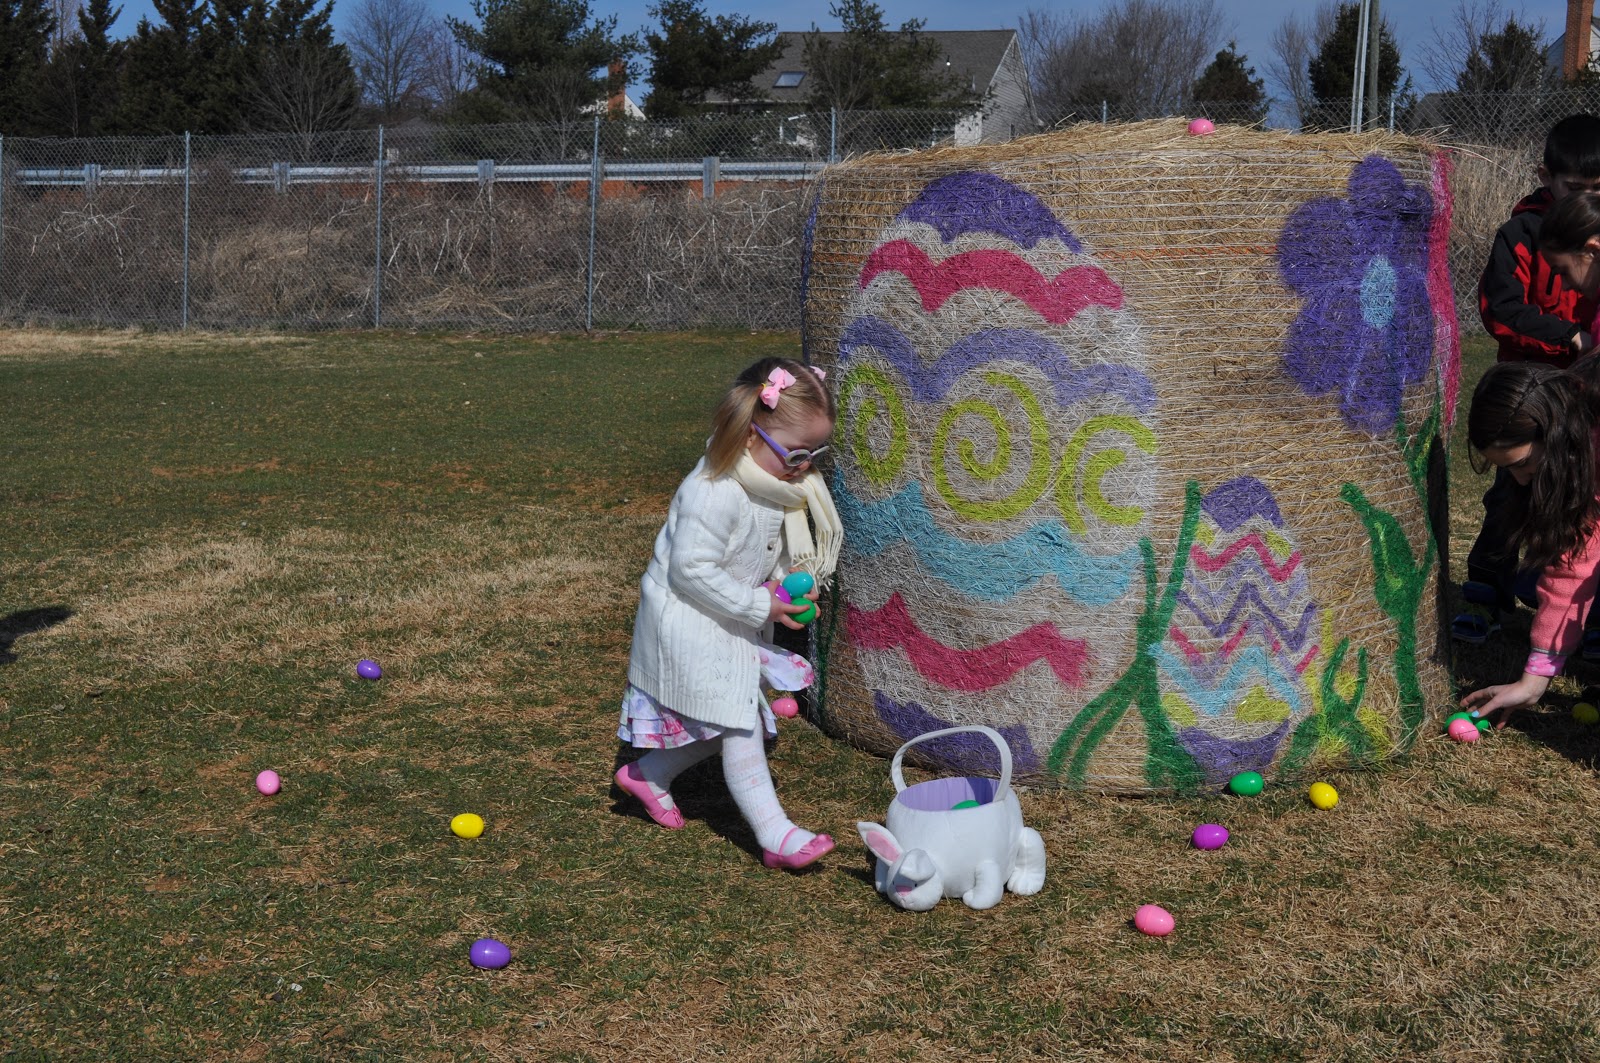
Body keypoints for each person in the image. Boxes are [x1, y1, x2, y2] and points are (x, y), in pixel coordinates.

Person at [612, 356, 841, 870]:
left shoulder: (772, 483)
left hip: (729, 618)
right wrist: (765, 603)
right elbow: (691, 571)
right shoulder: (712, 492)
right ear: (750, 434)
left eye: (816, 453)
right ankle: (776, 836)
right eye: (798, 452)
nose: (806, 466)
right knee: (738, 722)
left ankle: (647, 776)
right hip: (689, 622)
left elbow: (763, 548)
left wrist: (784, 591)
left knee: (723, 722)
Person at [1458, 113, 1600, 648]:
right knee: (1512, 492)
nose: (1581, 198)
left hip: (1583, 397)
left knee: (1581, 498)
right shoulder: (1520, 234)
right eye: (1572, 186)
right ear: (1545, 175)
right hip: (1528, 392)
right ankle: (1485, 593)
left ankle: (1575, 613)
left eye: (1594, 189)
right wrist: (1571, 338)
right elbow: (1501, 310)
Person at [1462, 359, 1600, 728]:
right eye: (1507, 469)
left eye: (1524, 465)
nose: (1520, 481)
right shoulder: (1575, 453)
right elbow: (1572, 563)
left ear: (1552, 435)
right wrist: (1535, 678)